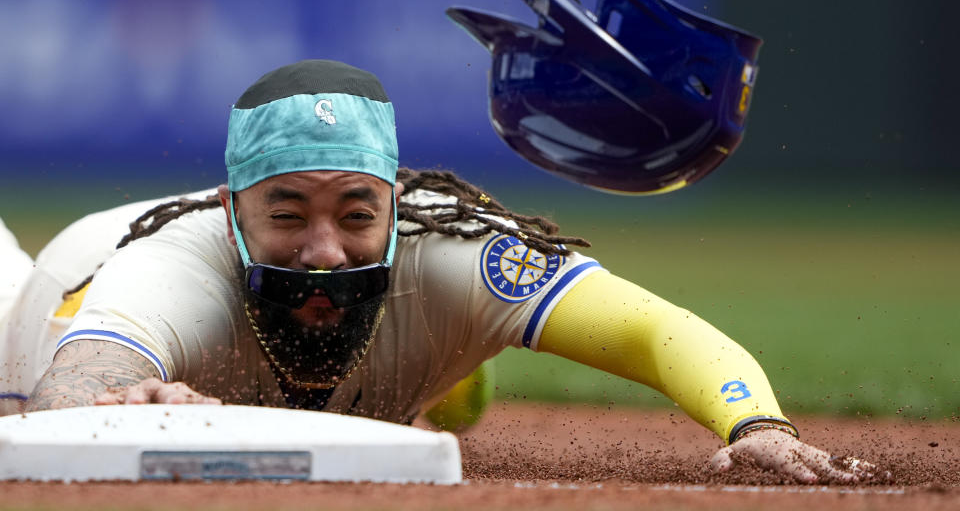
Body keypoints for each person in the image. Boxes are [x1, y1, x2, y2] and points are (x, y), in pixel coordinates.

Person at [0, 59, 877, 484]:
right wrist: (131, 403)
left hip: (418, 312)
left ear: (395, 205)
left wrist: (756, 424)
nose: (323, 250)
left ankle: (454, 374)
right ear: (234, 215)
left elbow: (653, 327)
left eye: (354, 213)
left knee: (426, 340)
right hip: (66, 283)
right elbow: (71, 393)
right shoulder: (174, 268)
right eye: (285, 213)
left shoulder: (452, 249)